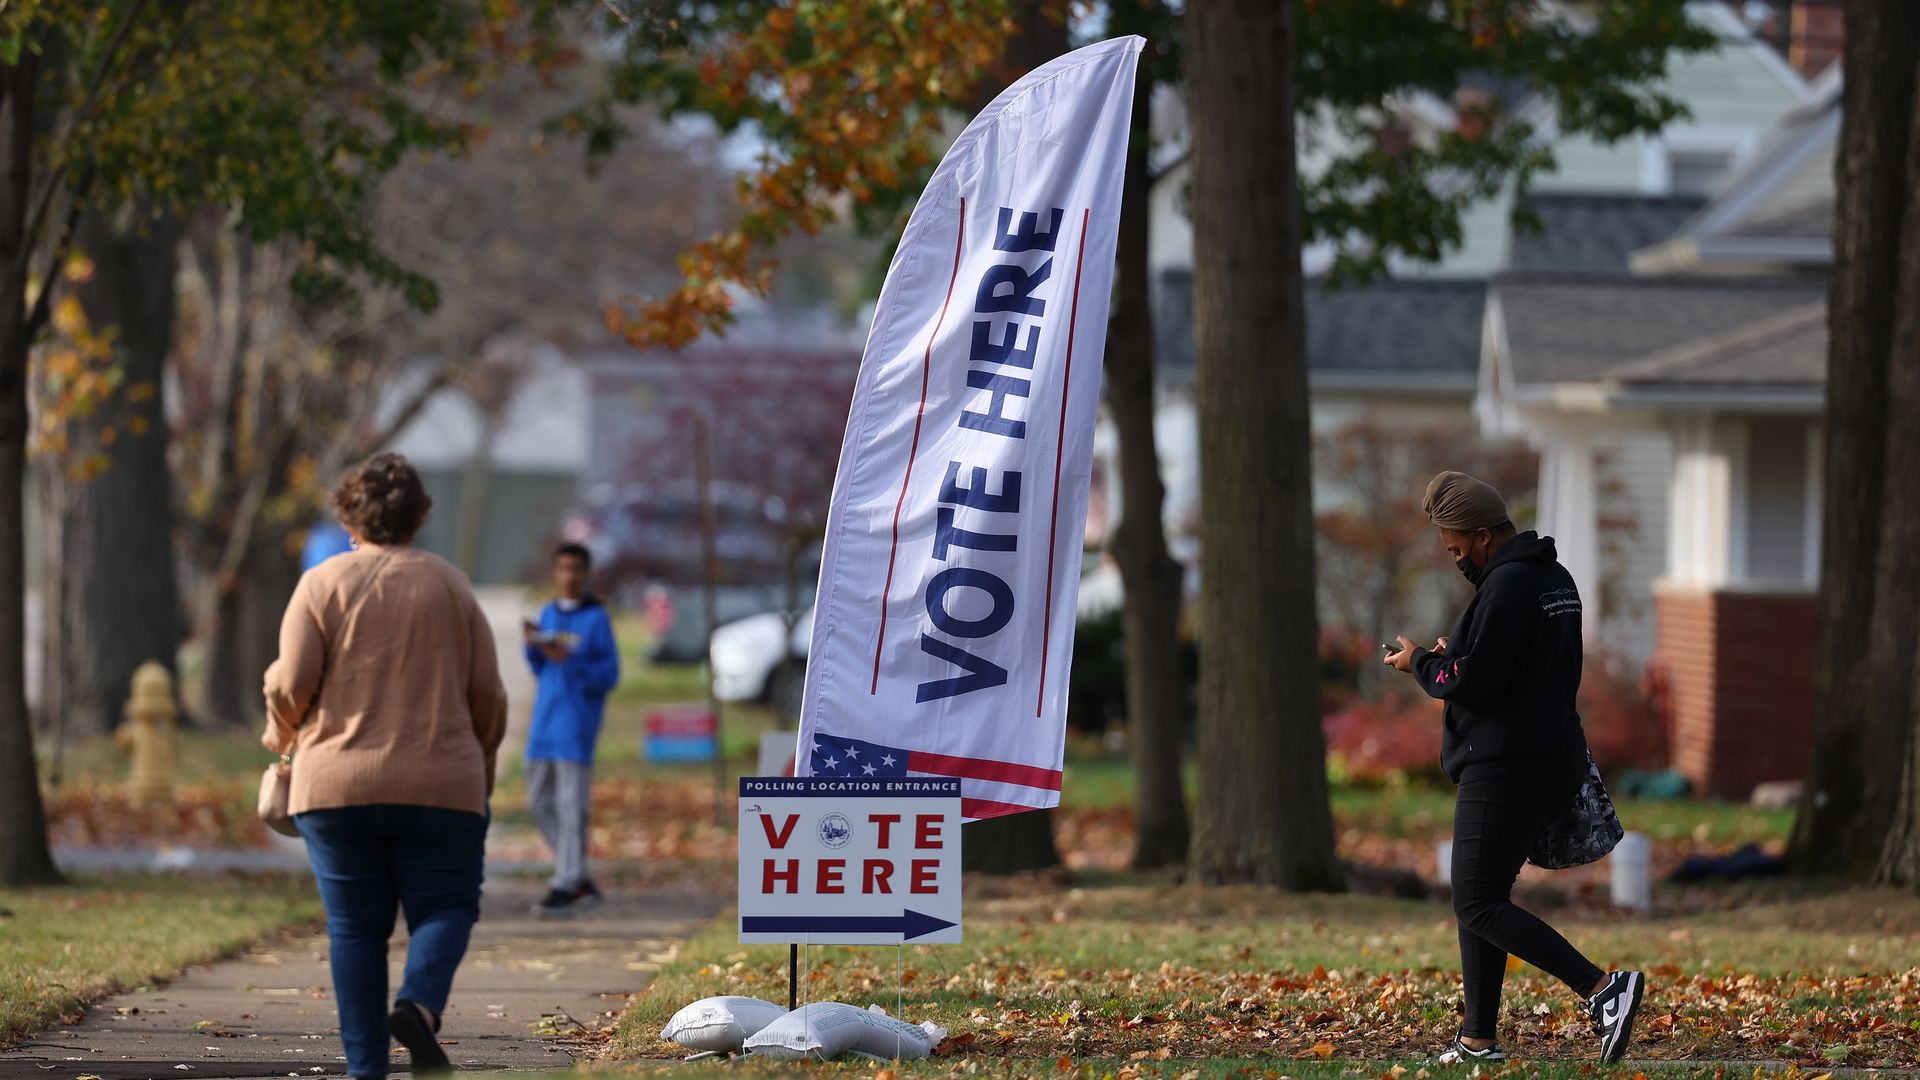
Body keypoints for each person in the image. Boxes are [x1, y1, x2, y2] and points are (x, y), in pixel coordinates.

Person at [1384, 470, 1644, 1065]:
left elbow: (1472, 683)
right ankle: (1477, 1040)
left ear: (1481, 536)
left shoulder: (1504, 589)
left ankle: (1604, 990)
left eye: (1455, 549)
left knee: (1475, 901)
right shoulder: (1555, 579)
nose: (1455, 560)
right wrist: (1460, 657)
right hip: (1550, 754)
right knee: (1484, 894)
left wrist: (1420, 663)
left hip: (1506, 766)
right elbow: (1521, 667)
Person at [263, 453, 508, 1080]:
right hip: (441, 783)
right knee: (448, 907)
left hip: (334, 786)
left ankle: (365, 1069)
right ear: (418, 516)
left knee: (355, 931)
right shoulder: (450, 584)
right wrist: (479, 761)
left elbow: (290, 681)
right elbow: (489, 694)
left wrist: (282, 734)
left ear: (350, 516)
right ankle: (419, 1007)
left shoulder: (321, 584)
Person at [523, 541, 621, 918]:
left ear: (586, 574)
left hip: (575, 727)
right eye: (563, 568)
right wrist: (533, 645)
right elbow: (540, 667)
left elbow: (608, 675)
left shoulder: (597, 619)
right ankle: (577, 874)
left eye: (576, 569)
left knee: (570, 807)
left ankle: (566, 880)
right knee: (538, 802)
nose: (569, 576)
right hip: (543, 724)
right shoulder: (548, 611)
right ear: (555, 572)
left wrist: (572, 661)